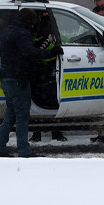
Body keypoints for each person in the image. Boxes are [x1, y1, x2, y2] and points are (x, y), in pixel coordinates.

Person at [0, 8, 62, 158]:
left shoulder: (8, 31)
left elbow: (22, 49)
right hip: (19, 79)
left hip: (6, 77)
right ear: (30, 21)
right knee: (22, 116)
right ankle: (24, 150)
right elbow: (30, 53)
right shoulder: (22, 33)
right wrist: (52, 52)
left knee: (10, 115)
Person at [27, 10, 67, 143]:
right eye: (47, 24)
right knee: (39, 105)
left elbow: (66, 44)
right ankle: (37, 133)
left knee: (54, 104)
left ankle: (56, 132)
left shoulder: (57, 36)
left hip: (53, 74)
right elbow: (36, 52)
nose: (49, 26)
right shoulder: (36, 37)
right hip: (39, 74)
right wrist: (48, 47)